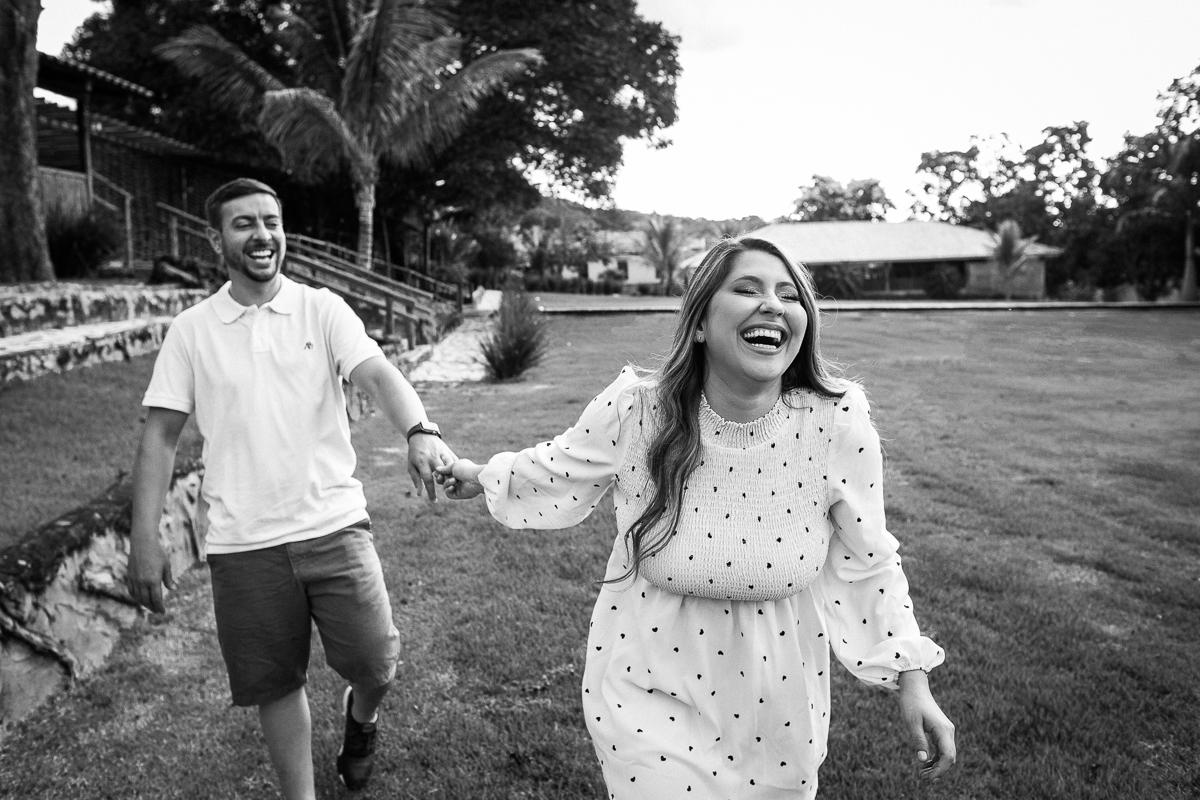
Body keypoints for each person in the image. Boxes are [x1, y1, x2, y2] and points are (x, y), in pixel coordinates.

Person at [437, 237, 956, 798]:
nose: (772, 305)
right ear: (701, 322)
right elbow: (558, 468)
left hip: (780, 699)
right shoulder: (639, 410)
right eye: (747, 289)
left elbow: (869, 558)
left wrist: (912, 676)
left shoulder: (835, 420)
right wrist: (478, 474)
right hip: (648, 679)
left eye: (789, 295)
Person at [126, 178, 455, 799]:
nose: (262, 235)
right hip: (243, 543)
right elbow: (160, 436)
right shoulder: (191, 331)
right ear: (215, 240)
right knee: (276, 684)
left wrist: (419, 429)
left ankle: (361, 719)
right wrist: (144, 539)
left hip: (333, 524)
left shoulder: (321, 309)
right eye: (244, 223)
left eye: (271, 222)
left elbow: (377, 374)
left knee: (376, 662)